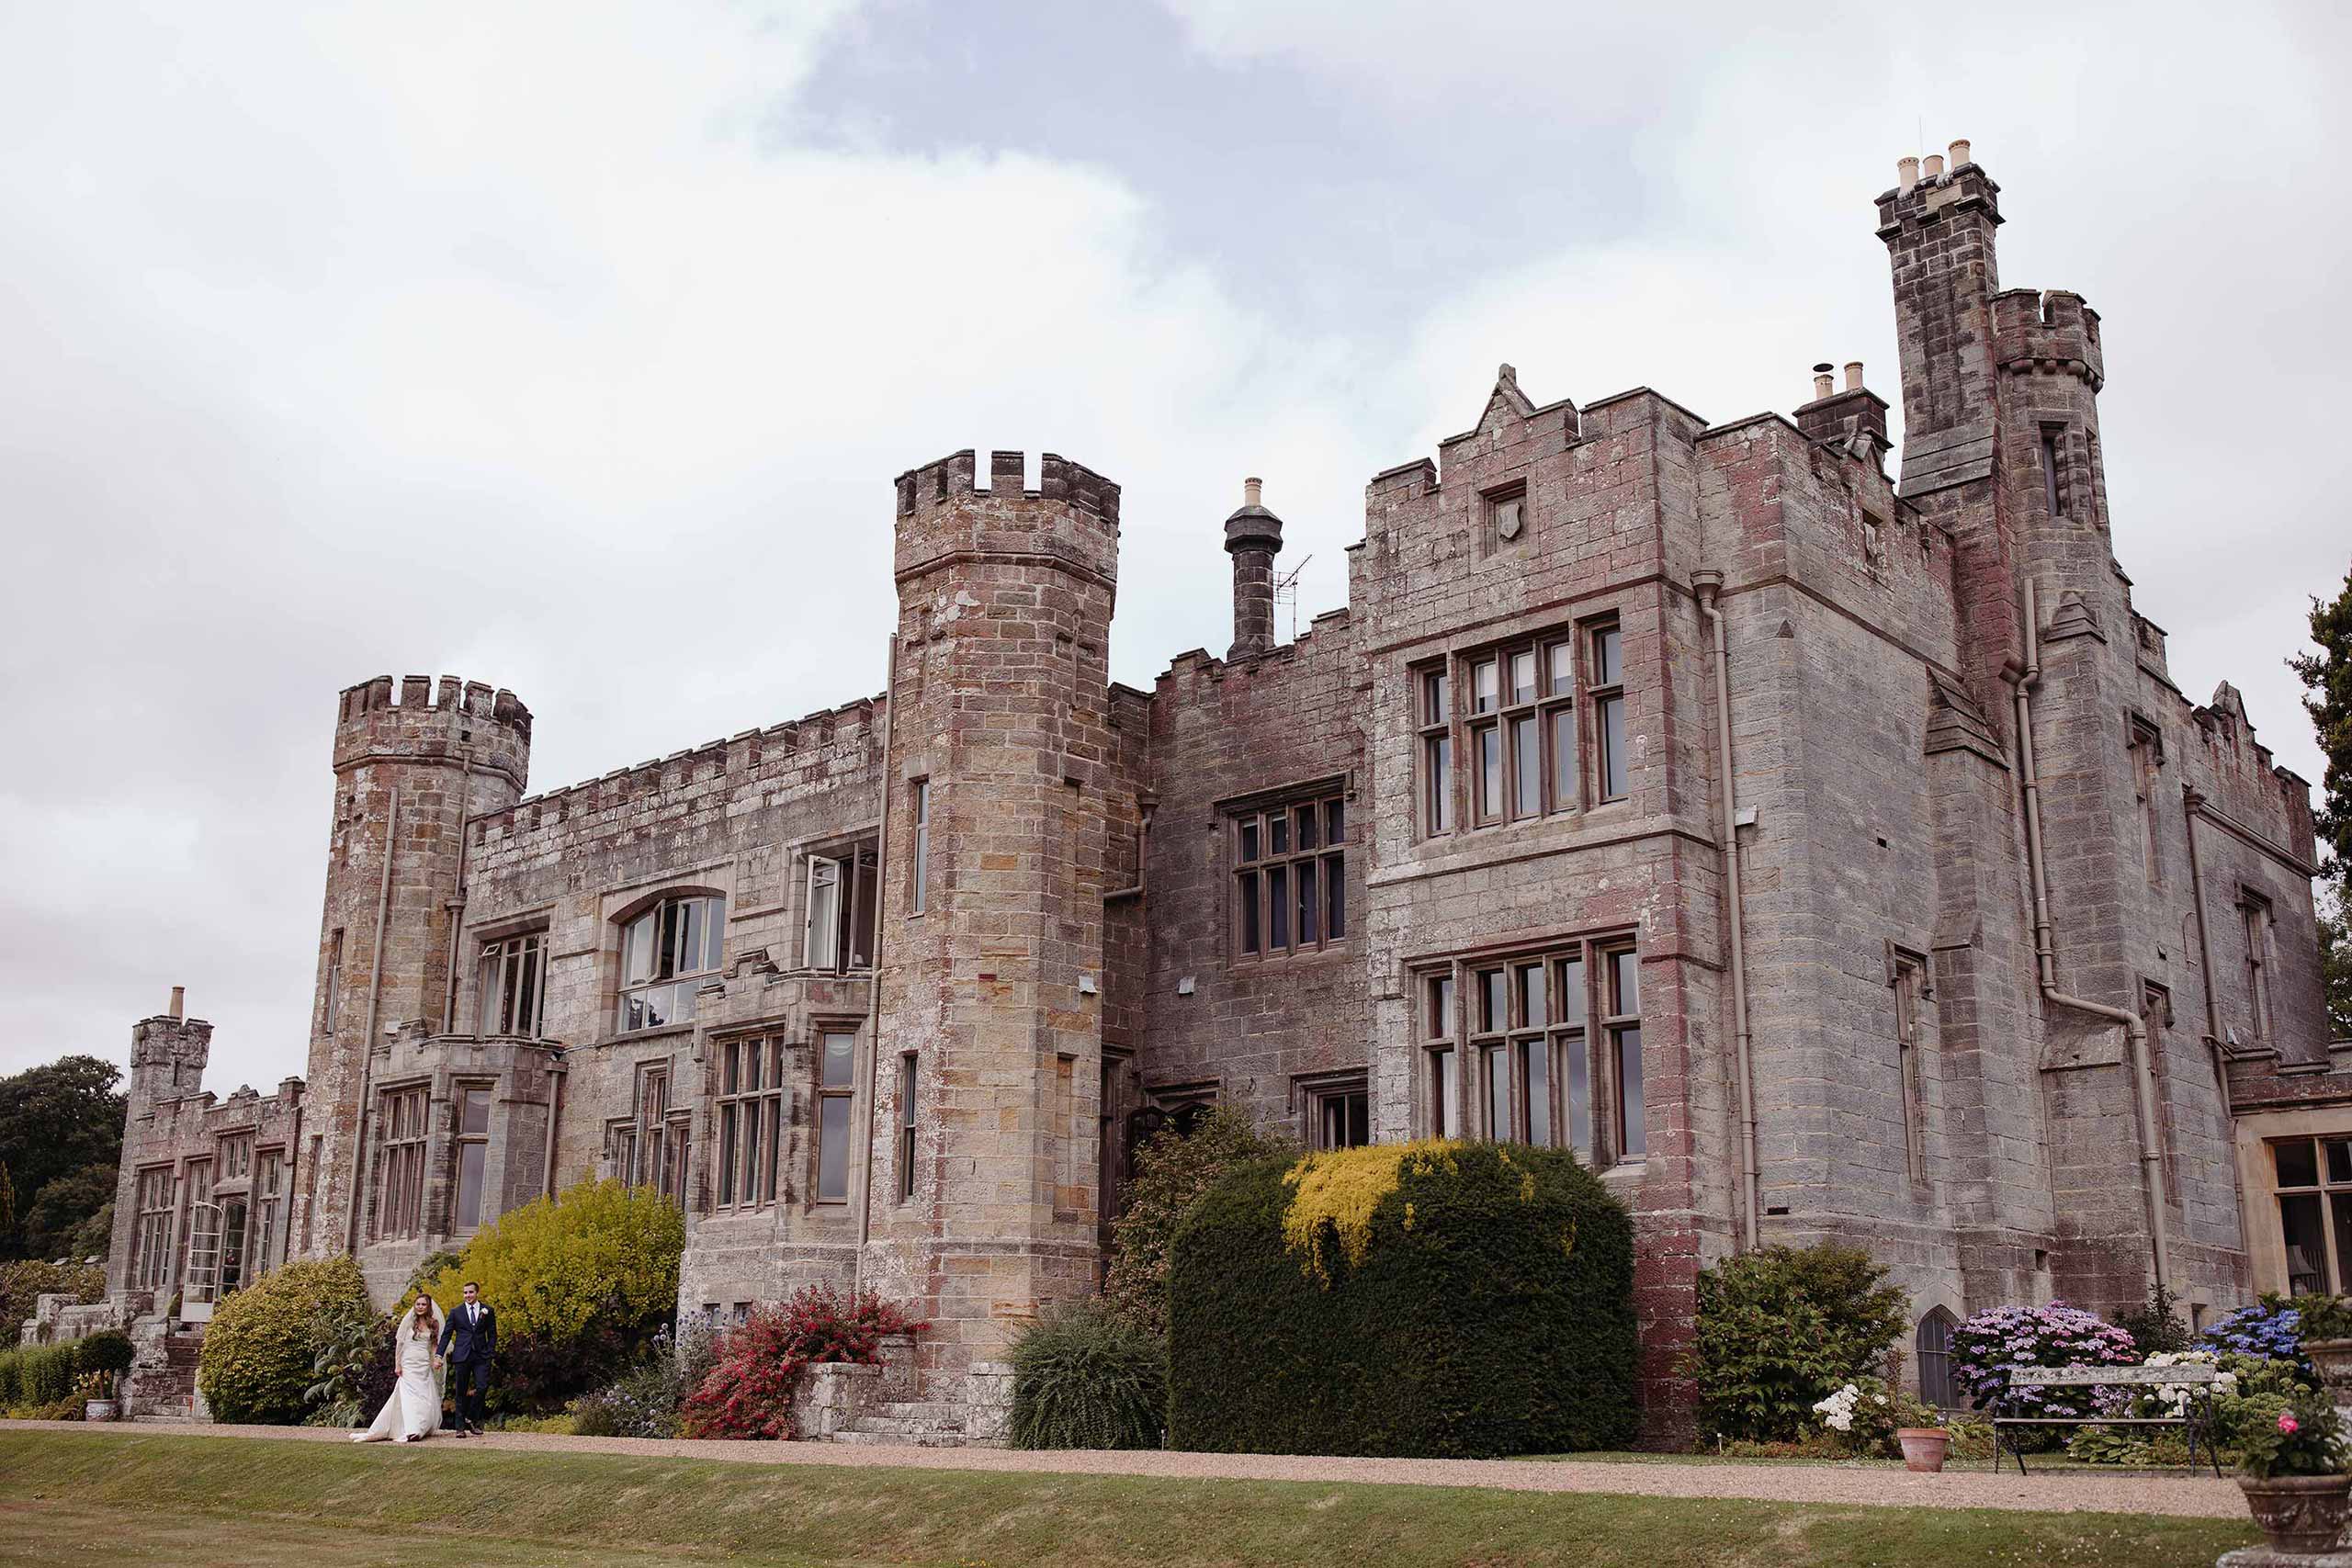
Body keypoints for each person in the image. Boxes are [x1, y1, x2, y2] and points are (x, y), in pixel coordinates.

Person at [352, 1294, 442, 1443]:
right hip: (408, 1362)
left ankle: (420, 1426)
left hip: (423, 1363)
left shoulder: (434, 1323)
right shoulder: (408, 1322)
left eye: (423, 1304)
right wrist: (398, 1364)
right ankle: (413, 1430)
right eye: (418, 1304)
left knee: (424, 1396)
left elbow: (433, 1345)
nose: (420, 1307)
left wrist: (435, 1360)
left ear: (428, 1307)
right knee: (409, 1396)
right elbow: (399, 1344)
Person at [437, 1280, 496, 1437]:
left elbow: (492, 1334)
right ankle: (460, 1428)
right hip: (462, 1355)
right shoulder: (456, 1312)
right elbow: (446, 1335)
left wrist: (489, 1352)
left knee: (482, 1387)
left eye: (470, 1292)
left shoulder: (487, 1310)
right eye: (465, 1293)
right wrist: (439, 1354)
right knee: (460, 1392)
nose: (468, 1295)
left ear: (477, 1293)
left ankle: (471, 1418)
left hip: (481, 1356)